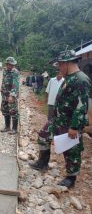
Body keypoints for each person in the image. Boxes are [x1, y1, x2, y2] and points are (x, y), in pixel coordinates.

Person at [30, 50, 91, 188]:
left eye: (60, 65)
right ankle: (42, 163)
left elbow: (82, 106)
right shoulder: (69, 77)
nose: (58, 68)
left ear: (67, 63)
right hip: (58, 119)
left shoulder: (81, 79)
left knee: (71, 150)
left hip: (70, 123)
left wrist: (75, 127)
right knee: (43, 136)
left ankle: (71, 178)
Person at [0, 57, 20, 134]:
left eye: (13, 65)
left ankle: (14, 129)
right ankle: (7, 127)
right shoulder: (5, 71)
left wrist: (12, 95)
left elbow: (16, 84)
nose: (12, 66)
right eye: (10, 65)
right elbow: (4, 80)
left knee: (13, 111)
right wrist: (1, 88)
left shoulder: (15, 72)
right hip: (4, 94)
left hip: (11, 95)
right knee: (5, 110)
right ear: (7, 64)